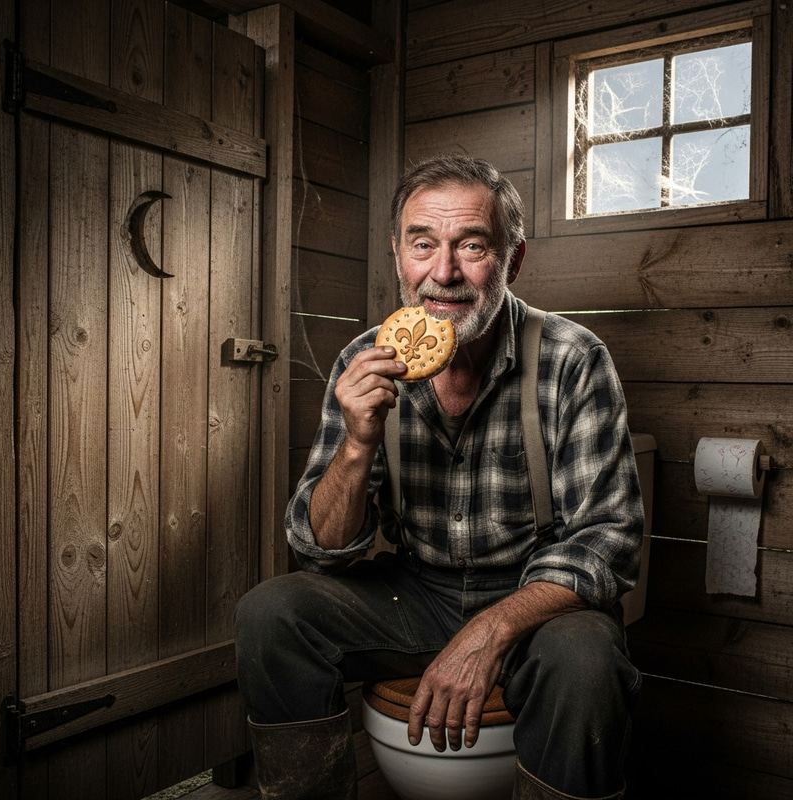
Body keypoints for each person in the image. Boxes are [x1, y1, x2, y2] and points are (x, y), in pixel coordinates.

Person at [234, 153, 644, 800]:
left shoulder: (573, 359)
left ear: (512, 260)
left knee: (587, 659)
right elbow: (318, 547)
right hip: (414, 592)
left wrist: (490, 630)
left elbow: (610, 540)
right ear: (399, 257)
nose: (444, 272)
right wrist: (357, 445)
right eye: (423, 245)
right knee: (272, 615)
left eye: (471, 245)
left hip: (536, 601)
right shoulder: (363, 359)